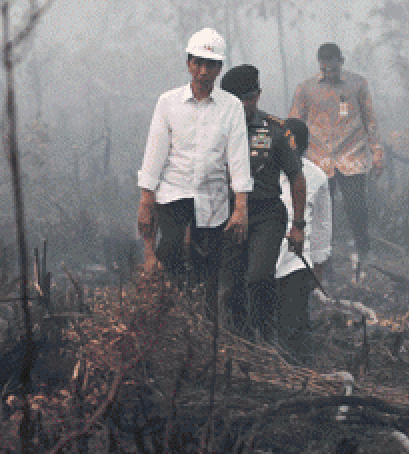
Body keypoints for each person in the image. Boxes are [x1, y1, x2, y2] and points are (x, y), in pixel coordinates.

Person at [137, 28, 252, 312]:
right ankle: (174, 309)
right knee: (171, 250)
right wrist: (146, 199)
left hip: (212, 196)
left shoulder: (231, 107)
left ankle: (204, 319)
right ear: (188, 63)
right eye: (197, 63)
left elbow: (238, 158)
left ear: (219, 68)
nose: (203, 71)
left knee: (209, 263)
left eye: (210, 65)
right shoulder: (168, 102)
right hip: (174, 191)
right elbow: (155, 150)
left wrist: (241, 207)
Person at [219, 64, 305, 342]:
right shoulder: (214, 129)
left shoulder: (275, 131)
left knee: (257, 277)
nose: (243, 105)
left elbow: (296, 178)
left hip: (265, 215)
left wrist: (298, 226)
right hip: (226, 215)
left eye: (248, 98)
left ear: (257, 96)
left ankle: (269, 334)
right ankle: (240, 341)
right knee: (229, 288)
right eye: (236, 100)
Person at [289, 43, 384, 278]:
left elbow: (370, 119)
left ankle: (364, 253)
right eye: (325, 68)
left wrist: (377, 152)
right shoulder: (306, 89)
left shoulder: (357, 84)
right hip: (318, 158)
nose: (330, 73)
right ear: (319, 64)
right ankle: (322, 261)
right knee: (321, 211)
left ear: (341, 62)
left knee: (357, 208)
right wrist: (290, 156)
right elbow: (294, 122)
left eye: (333, 67)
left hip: (351, 155)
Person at [275, 118, 332, 365]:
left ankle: (299, 369)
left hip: (297, 260)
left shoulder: (316, 177)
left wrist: (318, 265)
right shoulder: (265, 172)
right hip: (265, 257)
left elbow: (322, 223)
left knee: (296, 319)